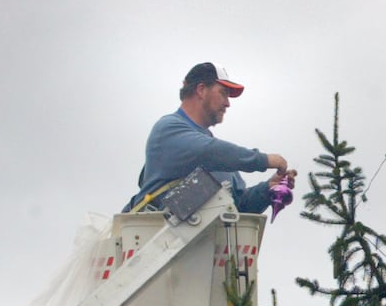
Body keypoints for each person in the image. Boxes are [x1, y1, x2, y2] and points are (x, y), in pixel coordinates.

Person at [125, 62, 296, 214]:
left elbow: (239, 205)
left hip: (205, 248)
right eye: (223, 93)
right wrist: (262, 160)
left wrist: (267, 189)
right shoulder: (169, 129)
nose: (228, 103)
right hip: (160, 247)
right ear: (201, 90)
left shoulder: (219, 156)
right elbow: (209, 151)